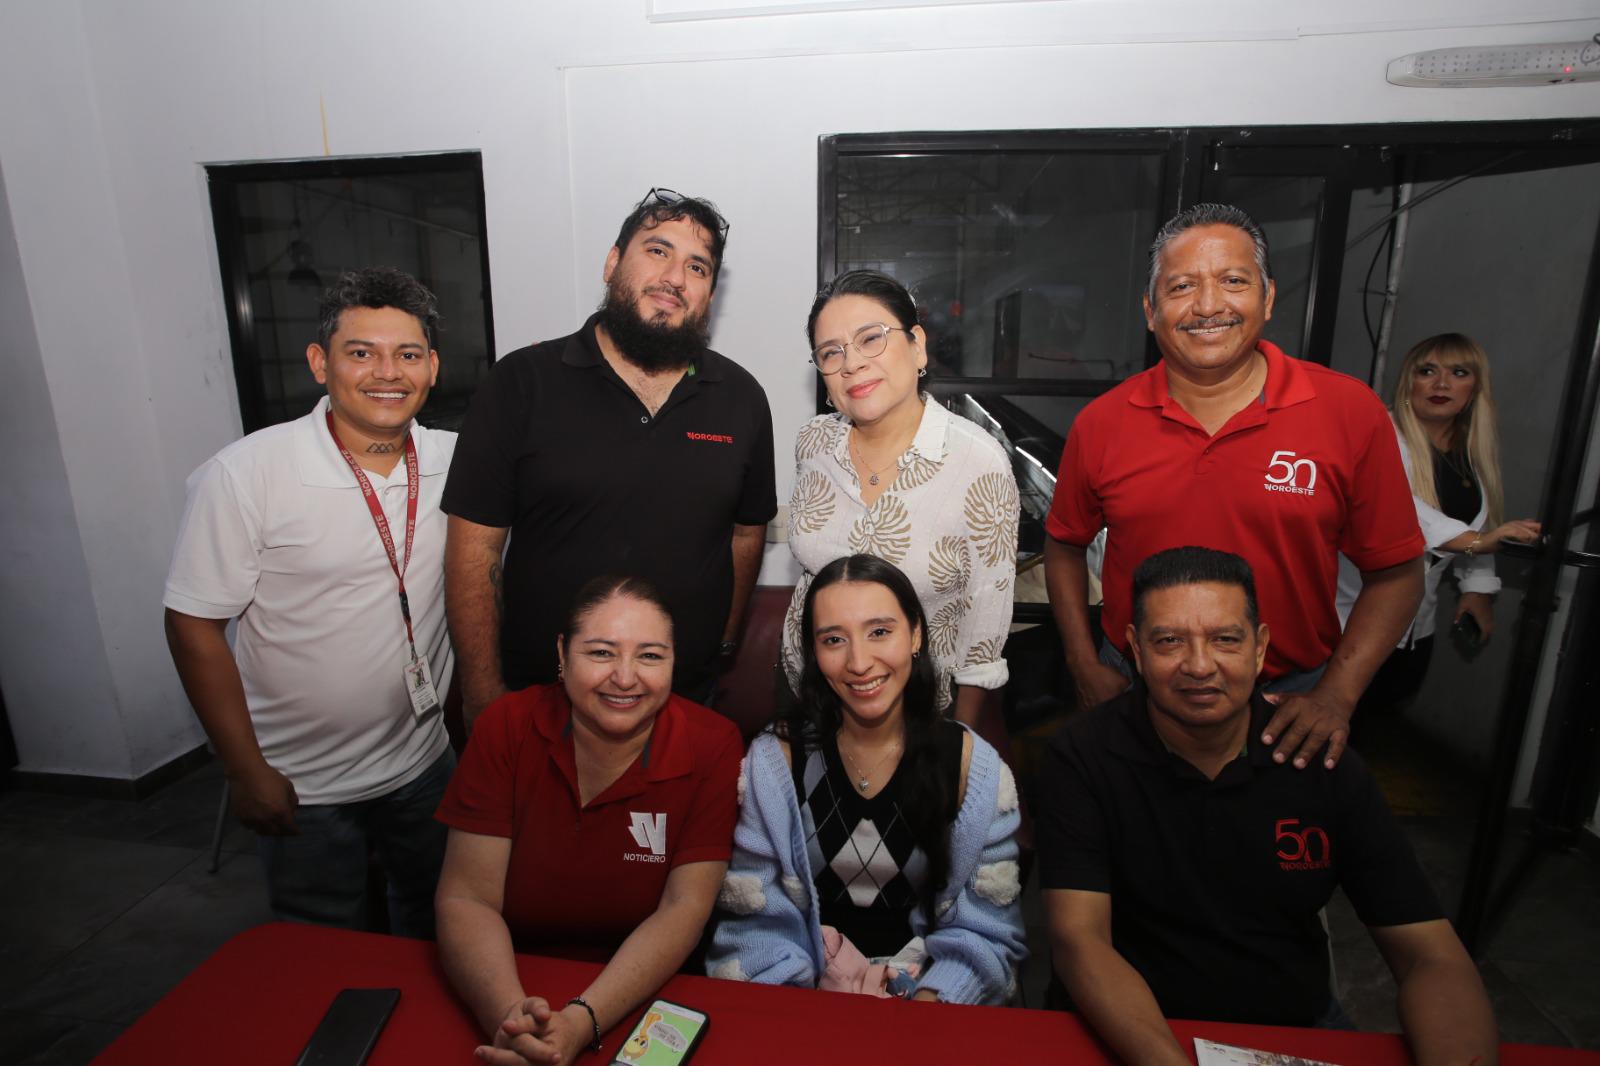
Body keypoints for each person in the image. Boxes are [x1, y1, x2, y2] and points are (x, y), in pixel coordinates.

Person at [1039, 546, 1499, 1065]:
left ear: (1260, 649)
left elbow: (1429, 956)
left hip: (1291, 1025)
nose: (1198, 665)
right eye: (1169, 641)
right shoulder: (1083, 758)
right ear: (1135, 651)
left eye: (1225, 640)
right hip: (1132, 1027)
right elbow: (1080, 941)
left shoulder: (1320, 760)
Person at [1044, 202, 1425, 771]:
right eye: (1181, 287)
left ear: (1267, 298)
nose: (1207, 306)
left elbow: (1396, 573)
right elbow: (1065, 545)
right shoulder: (1103, 423)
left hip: (1287, 705)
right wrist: (1082, 662)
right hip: (1133, 692)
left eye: (1232, 281)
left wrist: (1336, 696)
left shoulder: (1349, 412)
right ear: (1151, 311)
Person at [163, 268, 455, 936]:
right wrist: (245, 770)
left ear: (432, 368)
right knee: (324, 943)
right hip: (303, 784)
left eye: (407, 354)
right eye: (362, 353)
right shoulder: (247, 473)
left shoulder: (454, 463)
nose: (388, 372)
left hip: (424, 764)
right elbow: (192, 626)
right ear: (321, 363)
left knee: (438, 923)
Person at [444, 188, 776, 724]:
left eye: (698, 266)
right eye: (657, 250)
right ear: (612, 262)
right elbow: (474, 550)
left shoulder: (741, 397)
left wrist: (722, 644)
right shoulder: (521, 382)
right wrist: (482, 692)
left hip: (685, 701)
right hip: (544, 703)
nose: (675, 277)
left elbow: (745, 534)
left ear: (710, 293)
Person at [435, 575, 741, 1066]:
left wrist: (580, 1022)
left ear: (674, 660)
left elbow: (682, 909)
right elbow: (467, 898)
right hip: (506, 976)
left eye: (650, 656)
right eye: (601, 653)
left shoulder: (713, 744)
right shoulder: (506, 727)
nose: (625, 677)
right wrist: (515, 1021)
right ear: (562, 652)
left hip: (640, 993)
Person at [709, 554, 1025, 1005]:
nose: (859, 662)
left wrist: (926, 1005)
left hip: (928, 1001)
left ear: (915, 634)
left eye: (880, 632)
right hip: (804, 999)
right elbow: (754, 921)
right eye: (834, 639)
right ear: (815, 654)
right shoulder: (774, 762)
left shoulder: (971, 768)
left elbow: (987, 933)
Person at [781, 269, 1020, 730]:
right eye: (831, 352)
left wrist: (959, 743)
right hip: (809, 692)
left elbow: (984, 631)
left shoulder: (978, 463)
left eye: (871, 338)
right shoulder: (813, 443)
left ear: (917, 345)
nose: (851, 363)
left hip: (919, 715)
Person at [1337, 333, 1541, 711]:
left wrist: (1477, 589)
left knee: (1379, 715)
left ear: (1475, 386)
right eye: (1427, 371)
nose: (1441, 383)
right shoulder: (1375, 433)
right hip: (1348, 620)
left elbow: (1478, 523)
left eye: (1458, 372)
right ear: (1408, 382)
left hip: (1416, 625)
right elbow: (1397, 506)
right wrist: (1477, 543)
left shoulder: (1469, 453)